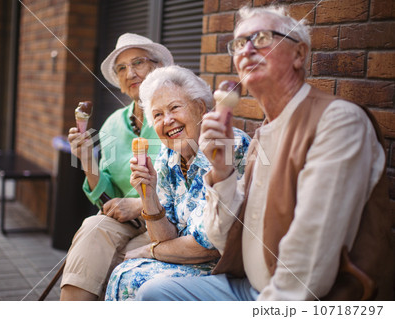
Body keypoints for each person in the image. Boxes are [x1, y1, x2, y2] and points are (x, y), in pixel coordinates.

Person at [136, 5, 394, 301]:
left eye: (261, 39)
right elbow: (223, 239)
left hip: (305, 298)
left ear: (299, 54)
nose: (246, 50)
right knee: (154, 293)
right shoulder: (263, 136)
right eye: (238, 43)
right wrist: (222, 173)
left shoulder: (337, 122)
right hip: (246, 284)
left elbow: (308, 267)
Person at [104, 65, 250, 300]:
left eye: (174, 108)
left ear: (200, 108)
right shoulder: (168, 155)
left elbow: (208, 246)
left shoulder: (229, 146)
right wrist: (148, 194)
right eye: (158, 115)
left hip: (227, 268)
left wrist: (150, 251)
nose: (168, 120)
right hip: (189, 261)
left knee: (135, 277)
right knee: (124, 273)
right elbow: (164, 236)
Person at [60, 33, 174, 301]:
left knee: (113, 264)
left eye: (138, 62)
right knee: (91, 228)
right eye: (122, 68)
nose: (130, 72)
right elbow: (106, 200)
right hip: (128, 222)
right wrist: (87, 159)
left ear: (158, 68)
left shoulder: (174, 115)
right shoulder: (112, 123)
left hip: (167, 221)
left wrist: (139, 205)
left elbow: (189, 182)